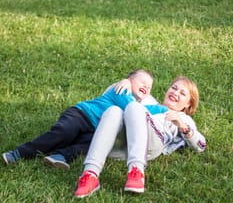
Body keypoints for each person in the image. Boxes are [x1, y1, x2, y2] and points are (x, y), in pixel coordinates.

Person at [2, 69, 166, 169]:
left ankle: (60, 156)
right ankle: (19, 153)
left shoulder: (135, 105)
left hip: (94, 129)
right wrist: (162, 109)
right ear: (129, 81)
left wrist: (165, 110)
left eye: (149, 86)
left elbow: (144, 110)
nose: (146, 87)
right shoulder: (122, 90)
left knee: (91, 146)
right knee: (62, 134)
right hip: (80, 115)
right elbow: (141, 109)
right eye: (142, 81)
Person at [75, 76, 206, 198]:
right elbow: (109, 96)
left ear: (188, 104)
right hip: (124, 145)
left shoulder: (183, 118)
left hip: (152, 144)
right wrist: (126, 82)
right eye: (174, 88)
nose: (175, 93)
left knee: (134, 106)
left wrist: (183, 126)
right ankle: (90, 174)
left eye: (182, 93)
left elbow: (201, 145)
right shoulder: (148, 100)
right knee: (113, 110)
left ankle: (137, 171)